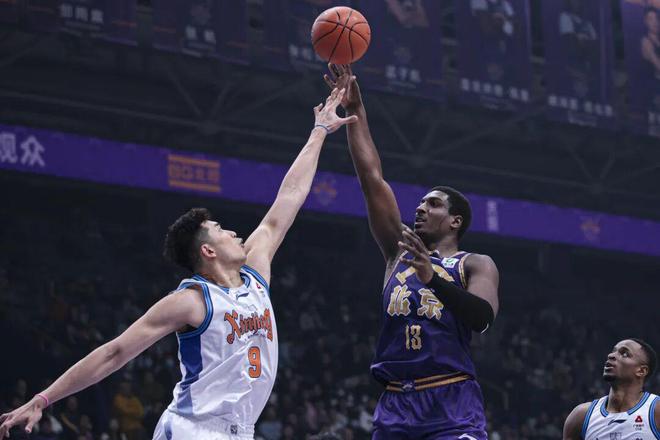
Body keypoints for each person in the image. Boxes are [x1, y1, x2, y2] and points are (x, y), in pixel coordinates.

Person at [0, 87, 357, 440]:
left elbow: (290, 196)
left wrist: (319, 131)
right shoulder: (191, 300)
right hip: (193, 428)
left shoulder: (255, 275)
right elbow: (115, 352)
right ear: (208, 251)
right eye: (221, 229)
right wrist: (43, 399)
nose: (234, 232)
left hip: (240, 432)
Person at [324, 64, 499, 439]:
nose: (420, 208)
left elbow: (482, 318)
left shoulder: (474, 263)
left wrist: (431, 278)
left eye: (433, 204)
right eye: (419, 203)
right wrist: (356, 112)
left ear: (455, 221)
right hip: (396, 405)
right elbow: (371, 178)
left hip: (451, 398)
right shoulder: (397, 250)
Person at [562, 338, 659, 440]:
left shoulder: (656, 411)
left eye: (624, 354)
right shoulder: (581, 416)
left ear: (641, 371)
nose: (611, 355)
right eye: (613, 351)